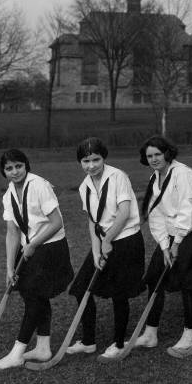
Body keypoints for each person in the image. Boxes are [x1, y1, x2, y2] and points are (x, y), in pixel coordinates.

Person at [0, 149, 74, 371]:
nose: (15, 172)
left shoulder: (38, 185)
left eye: (19, 166)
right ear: (3, 171)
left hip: (50, 246)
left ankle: (17, 353)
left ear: (26, 165)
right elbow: (12, 232)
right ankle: (43, 348)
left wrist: (33, 245)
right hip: (29, 247)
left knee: (34, 294)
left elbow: (56, 222)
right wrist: (9, 267)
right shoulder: (9, 194)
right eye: (9, 168)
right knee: (32, 294)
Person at [133, 136, 192, 352]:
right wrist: (163, 245)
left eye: (157, 154)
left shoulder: (183, 174)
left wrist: (176, 242)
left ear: (167, 153)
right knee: (154, 279)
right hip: (171, 235)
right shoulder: (155, 178)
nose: (153, 159)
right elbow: (156, 214)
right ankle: (150, 334)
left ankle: (189, 335)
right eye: (149, 156)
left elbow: (187, 210)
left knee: (188, 284)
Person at [66, 137, 145, 360]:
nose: (91, 165)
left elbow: (124, 212)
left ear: (104, 158)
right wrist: (95, 250)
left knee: (119, 294)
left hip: (126, 240)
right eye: (85, 161)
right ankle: (89, 341)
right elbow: (92, 221)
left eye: (96, 159)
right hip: (104, 241)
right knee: (81, 288)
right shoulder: (85, 186)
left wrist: (108, 240)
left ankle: (119, 344)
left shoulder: (118, 176)